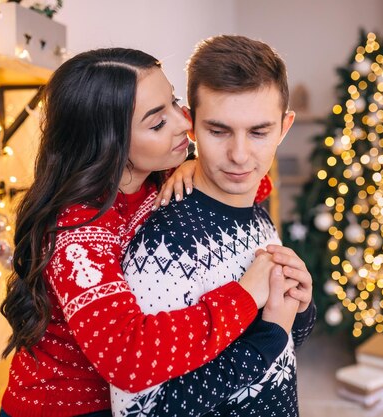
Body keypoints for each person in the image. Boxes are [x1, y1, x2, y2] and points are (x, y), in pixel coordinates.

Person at [0, 47, 294, 417]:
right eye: (157, 123)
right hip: (70, 408)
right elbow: (128, 356)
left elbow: (253, 189)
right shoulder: (79, 226)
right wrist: (245, 296)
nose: (184, 122)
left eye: (172, 102)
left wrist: (195, 169)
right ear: (111, 142)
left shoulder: (157, 176)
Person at [112, 35, 317, 417]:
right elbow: (139, 410)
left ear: (284, 127)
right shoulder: (164, 243)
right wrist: (268, 336)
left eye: (259, 132)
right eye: (219, 131)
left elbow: (283, 352)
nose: (239, 156)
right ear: (190, 124)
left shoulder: (256, 210)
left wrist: (299, 308)